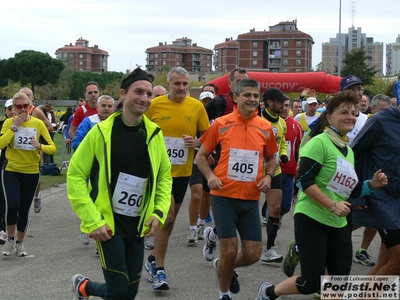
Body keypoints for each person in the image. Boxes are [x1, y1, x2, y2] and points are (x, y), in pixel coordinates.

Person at [255, 90, 388, 300]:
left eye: (353, 113)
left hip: (338, 222)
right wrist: (332, 206)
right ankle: (269, 291)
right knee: (312, 283)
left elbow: (349, 190)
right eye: (344, 112)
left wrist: (371, 184)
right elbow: (303, 181)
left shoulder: (348, 150)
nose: (350, 117)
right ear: (329, 117)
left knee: (338, 282)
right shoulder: (319, 142)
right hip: (312, 217)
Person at [68, 67, 172, 300]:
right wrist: (92, 219)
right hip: (107, 224)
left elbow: (165, 177)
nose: (144, 98)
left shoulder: (154, 134)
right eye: (139, 92)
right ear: (123, 94)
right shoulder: (100, 133)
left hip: (137, 224)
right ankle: (86, 287)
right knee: (117, 291)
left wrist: (158, 211)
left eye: (148, 94)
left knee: (129, 291)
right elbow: (75, 174)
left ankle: (85, 287)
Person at [196, 78, 278, 300]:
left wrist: (269, 176)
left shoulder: (265, 127)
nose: (252, 99)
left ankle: (223, 265)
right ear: (236, 98)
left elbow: (272, 158)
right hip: (223, 195)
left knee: (253, 254)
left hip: (251, 198)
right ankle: (224, 294)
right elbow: (200, 157)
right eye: (247, 95)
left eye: (255, 96)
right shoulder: (221, 123)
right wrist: (210, 176)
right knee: (230, 250)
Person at [144, 67, 210, 291]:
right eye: (177, 84)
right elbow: (139, 131)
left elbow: (208, 137)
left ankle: (153, 259)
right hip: (157, 172)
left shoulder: (197, 106)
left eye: (185, 84)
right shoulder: (154, 105)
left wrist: (197, 142)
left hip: (182, 173)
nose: (182, 88)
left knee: (169, 221)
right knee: (167, 215)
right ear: (169, 84)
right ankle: (160, 271)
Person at [1, 92, 56, 257]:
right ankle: (10, 239)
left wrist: (40, 146)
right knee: (12, 205)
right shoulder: (8, 123)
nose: (24, 109)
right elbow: (1, 143)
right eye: (19, 106)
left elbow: (52, 147)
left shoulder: (38, 124)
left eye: (26, 106)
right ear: (13, 108)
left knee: (24, 209)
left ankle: (20, 243)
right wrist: (14, 126)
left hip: (31, 171)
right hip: (11, 170)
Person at [350, 102, 400, 277]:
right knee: (398, 259)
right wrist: (358, 195)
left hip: (397, 198)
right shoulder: (380, 121)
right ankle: (304, 245)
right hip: (381, 197)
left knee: (387, 261)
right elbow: (353, 153)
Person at [259, 88, 288, 263]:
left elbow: (282, 143)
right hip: (254, 171)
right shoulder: (257, 121)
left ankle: (269, 249)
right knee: (239, 207)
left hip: (274, 170)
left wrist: (283, 153)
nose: (283, 106)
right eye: (280, 102)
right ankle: (215, 234)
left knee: (275, 209)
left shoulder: (282, 123)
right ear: (269, 103)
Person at [19, 87, 53, 213]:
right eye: (23, 95)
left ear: (32, 98)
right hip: (18, 150)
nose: (25, 97)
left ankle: (37, 195)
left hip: (34, 147)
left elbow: (49, 127)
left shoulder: (36, 112)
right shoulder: (15, 110)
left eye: (28, 95)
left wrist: (38, 130)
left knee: (34, 172)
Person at [279, 99, 303, 223]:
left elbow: (301, 148)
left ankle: (276, 217)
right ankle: (271, 238)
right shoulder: (266, 123)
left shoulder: (296, 126)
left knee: (285, 207)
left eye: (287, 106)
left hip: (288, 171)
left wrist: (299, 165)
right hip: (270, 171)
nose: (284, 108)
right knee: (273, 206)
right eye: (282, 105)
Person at [0, 99, 15, 244]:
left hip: (10, 166)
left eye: (13, 108)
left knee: (5, 200)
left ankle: (4, 229)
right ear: (5, 111)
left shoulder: (24, 125)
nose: (11, 111)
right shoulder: (3, 125)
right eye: (9, 109)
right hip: (2, 162)